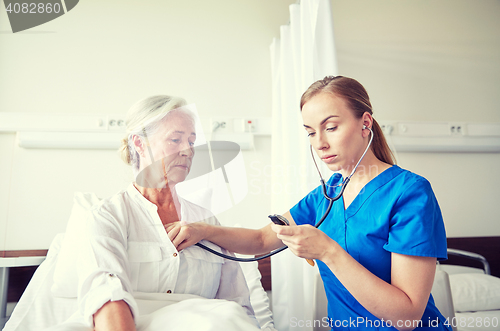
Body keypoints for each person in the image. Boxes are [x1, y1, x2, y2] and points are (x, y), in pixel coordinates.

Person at [167, 76, 451, 331]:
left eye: (331, 127)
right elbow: (261, 239)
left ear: (365, 124)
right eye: (311, 132)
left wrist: (327, 251)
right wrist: (202, 230)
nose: (320, 143)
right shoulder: (328, 194)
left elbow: (407, 317)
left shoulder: (410, 193)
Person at [76, 96, 257, 330]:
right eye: (175, 139)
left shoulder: (207, 222)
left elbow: (238, 305)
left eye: (192, 141)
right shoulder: (108, 216)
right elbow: (108, 298)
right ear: (140, 144)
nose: (188, 151)